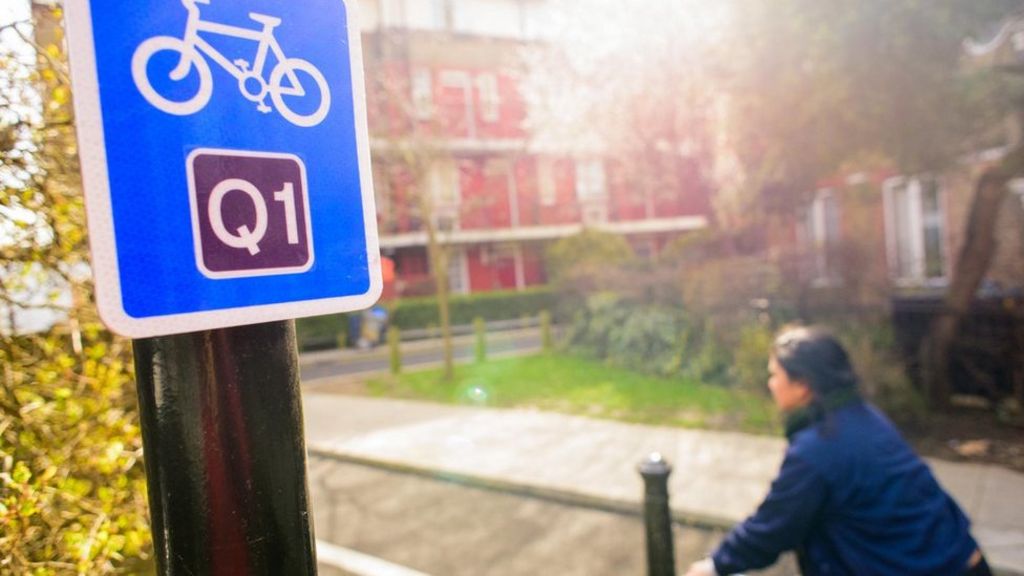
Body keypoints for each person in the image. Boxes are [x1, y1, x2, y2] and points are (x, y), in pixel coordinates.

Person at [685, 325, 991, 576]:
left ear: (802, 385)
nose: (771, 384)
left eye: (775, 375)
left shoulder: (817, 450)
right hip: (960, 557)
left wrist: (714, 565)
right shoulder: (864, 416)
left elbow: (773, 527)